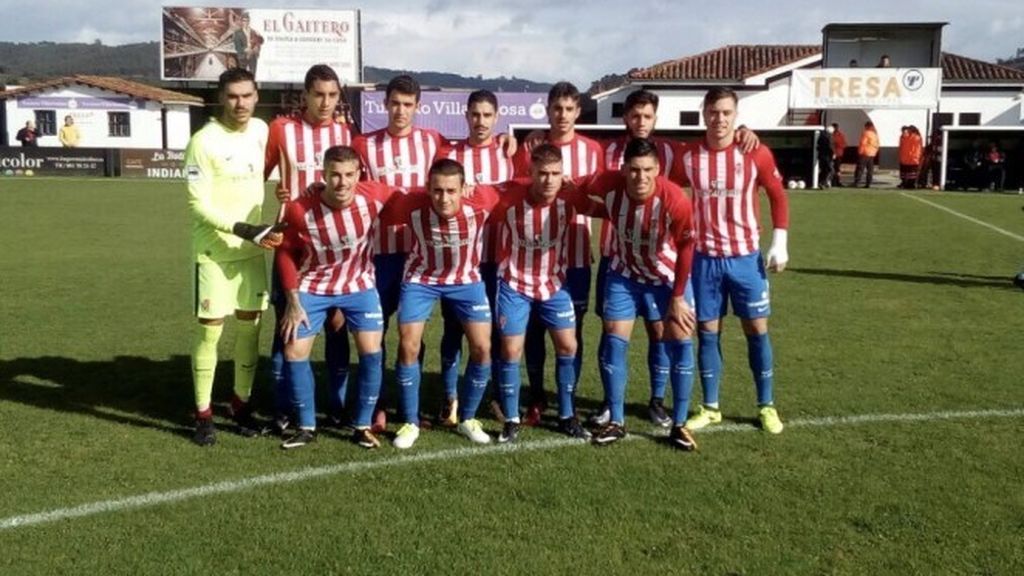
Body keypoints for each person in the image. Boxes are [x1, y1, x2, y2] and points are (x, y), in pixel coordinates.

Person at [679, 87, 789, 436]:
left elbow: (777, 196)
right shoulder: (687, 156)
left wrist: (780, 243)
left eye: (727, 113)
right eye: (714, 112)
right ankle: (710, 406)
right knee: (708, 332)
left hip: (745, 259)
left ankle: (766, 405)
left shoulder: (754, 153)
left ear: (736, 115)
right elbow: (660, 185)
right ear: (704, 114)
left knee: (756, 330)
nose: (720, 119)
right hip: (704, 260)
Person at [575, 138, 698, 448]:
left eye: (647, 170)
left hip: (666, 278)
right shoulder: (607, 182)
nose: (640, 177)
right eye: (633, 170)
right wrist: (593, 208)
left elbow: (687, 247)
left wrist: (679, 297)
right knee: (614, 339)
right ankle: (616, 420)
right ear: (623, 168)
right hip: (624, 273)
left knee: (680, 341)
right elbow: (573, 185)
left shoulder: (674, 199)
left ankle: (679, 424)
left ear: (657, 169)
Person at [184, 67, 282, 446]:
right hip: (214, 253)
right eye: (232, 96)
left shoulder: (261, 130)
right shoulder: (203, 142)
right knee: (210, 333)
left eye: (247, 95)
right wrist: (244, 229)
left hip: (252, 254)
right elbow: (197, 205)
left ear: (257, 96)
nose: (240, 103)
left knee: (250, 330)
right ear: (220, 98)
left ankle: (240, 405)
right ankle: (203, 414)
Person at [275, 146, 394, 449]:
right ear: (323, 175)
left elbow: (420, 197)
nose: (342, 182)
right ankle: (306, 426)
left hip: (359, 286)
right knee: (293, 351)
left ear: (359, 175)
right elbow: (285, 253)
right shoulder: (301, 209)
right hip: (312, 286)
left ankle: (362, 425)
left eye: (349, 175)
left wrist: (469, 189)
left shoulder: (376, 195)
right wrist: (292, 301)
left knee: (371, 350)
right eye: (335, 175)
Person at [380, 159, 502, 449]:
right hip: (421, 279)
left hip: (466, 281)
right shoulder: (411, 203)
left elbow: (519, 187)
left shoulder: (484, 199)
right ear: (427, 188)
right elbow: (376, 194)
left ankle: (468, 419)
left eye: (451, 191)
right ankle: (410, 421)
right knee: (408, 345)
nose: (443, 198)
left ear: (464, 189)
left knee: (483, 347)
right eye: (437, 191)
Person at [264, 64, 354, 434]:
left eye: (333, 95)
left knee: (336, 327)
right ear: (305, 94)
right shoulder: (282, 129)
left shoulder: (345, 131)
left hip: (333, 249)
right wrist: (274, 192)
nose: (326, 102)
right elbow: (258, 173)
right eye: (319, 94)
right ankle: (281, 409)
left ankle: (337, 407)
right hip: (293, 244)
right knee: (286, 327)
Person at [352, 75, 445, 432]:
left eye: (408, 105)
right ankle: (374, 405)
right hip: (377, 253)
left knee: (412, 334)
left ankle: (410, 405)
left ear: (417, 107)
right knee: (374, 331)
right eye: (395, 103)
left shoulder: (432, 142)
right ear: (384, 104)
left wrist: (509, 140)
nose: (401, 111)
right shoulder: (364, 144)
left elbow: (456, 171)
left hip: (417, 254)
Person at [493, 144, 600, 444]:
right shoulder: (509, 196)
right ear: (531, 173)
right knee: (511, 350)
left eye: (555, 173)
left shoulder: (570, 197)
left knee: (568, 346)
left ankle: (567, 415)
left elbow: (604, 210)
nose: (549, 180)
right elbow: (477, 198)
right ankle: (512, 419)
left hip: (554, 283)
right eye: (542, 173)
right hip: (514, 283)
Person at [512, 81, 603, 427]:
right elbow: (519, 191)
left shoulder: (593, 150)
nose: (562, 115)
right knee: (533, 330)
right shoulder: (532, 146)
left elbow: (601, 194)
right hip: (534, 261)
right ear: (547, 110)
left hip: (576, 258)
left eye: (569, 109)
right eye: (556, 108)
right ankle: (536, 397)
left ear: (578, 111)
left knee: (572, 334)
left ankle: (569, 400)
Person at [439, 89, 516, 426]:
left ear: (496, 118)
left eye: (487, 115)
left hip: (497, 259)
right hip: (458, 262)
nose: (481, 121)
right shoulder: (449, 153)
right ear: (466, 115)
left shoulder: (509, 154)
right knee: (453, 330)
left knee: (497, 333)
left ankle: (495, 397)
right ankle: (449, 398)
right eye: (475, 114)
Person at [854, 121, 879, 188]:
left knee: (860, 169)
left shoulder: (866, 133)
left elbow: (863, 143)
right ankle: (868, 183)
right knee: (870, 170)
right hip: (872, 154)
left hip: (864, 153)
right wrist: (874, 152)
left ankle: (856, 182)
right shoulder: (875, 134)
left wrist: (860, 152)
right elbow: (877, 145)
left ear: (866, 126)